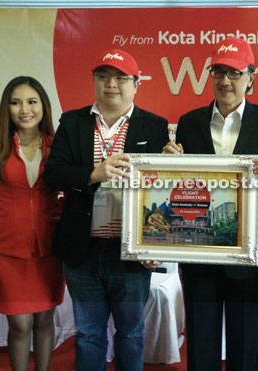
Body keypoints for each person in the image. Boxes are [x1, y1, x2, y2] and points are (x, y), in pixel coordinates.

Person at [163, 36, 258, 370]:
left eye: (234, 73)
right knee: (202, 346)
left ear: (251, 77)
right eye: (218, 72)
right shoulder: (190, 122)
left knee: (245, 345)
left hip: (249, 252)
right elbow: (179, 188)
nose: (225, 81)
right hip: (199, 250)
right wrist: (167, 164)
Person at [44, 49, 169, 371]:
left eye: (120, 78)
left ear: (136, 84)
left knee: (131, 332)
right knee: (88, 333)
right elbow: (53, 174)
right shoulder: (73, 122)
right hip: (81, 250)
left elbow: (163, 189)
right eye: (103, 77)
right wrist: (93, 174)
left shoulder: (154, 127)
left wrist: (157, 244)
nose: (111, 84)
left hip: (129, 253)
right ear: (94, 82)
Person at [0, 76, 65, 371]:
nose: (24, 109)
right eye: (15, 103)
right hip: (7, 253)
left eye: (31, 102)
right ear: (7, 109)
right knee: (19, 324)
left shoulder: (58, 147)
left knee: (44, 320)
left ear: (43, 106)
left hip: (49, 252)